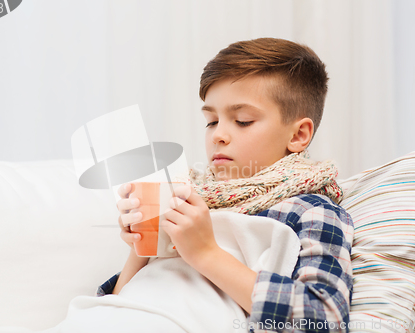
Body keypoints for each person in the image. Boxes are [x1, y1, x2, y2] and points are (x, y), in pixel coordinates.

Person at [98, 38, 354, 332]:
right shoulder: (190, 200)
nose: (218, 135)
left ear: (298, 135)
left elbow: (323, 321)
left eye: (242, 120)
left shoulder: (310, 211)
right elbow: (120, 304)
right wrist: (142, 246)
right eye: (211, 121)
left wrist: (206, 254)